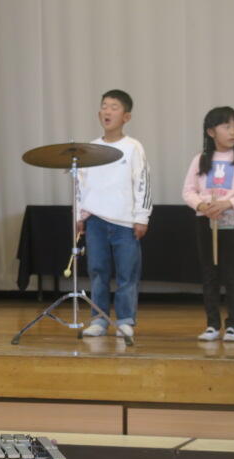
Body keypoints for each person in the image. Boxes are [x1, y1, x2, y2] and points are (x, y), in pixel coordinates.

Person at [78, 89, 152, 339]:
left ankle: (125, 319)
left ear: (126, 117)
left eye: (114, 107)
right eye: (104, 106)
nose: (107, 111)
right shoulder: (90, 148)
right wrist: (79, 216)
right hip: (96, 220)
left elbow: (143, 182)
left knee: (127, 274)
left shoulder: (133, 147)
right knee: (98, 272)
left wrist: (141, 217)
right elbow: (80, 184)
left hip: (125, 222)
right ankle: (99, 319)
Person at [182, 106, 234, 342]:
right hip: (206, 222)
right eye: (227, 126)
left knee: (232, 273)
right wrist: (202, 205)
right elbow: (188, 191)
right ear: (211, 132)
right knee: (209, 273)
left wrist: (228, 203)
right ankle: (212, 325)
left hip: (233, 222)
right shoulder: (200, 159)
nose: (233, 131)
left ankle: (233, 325)